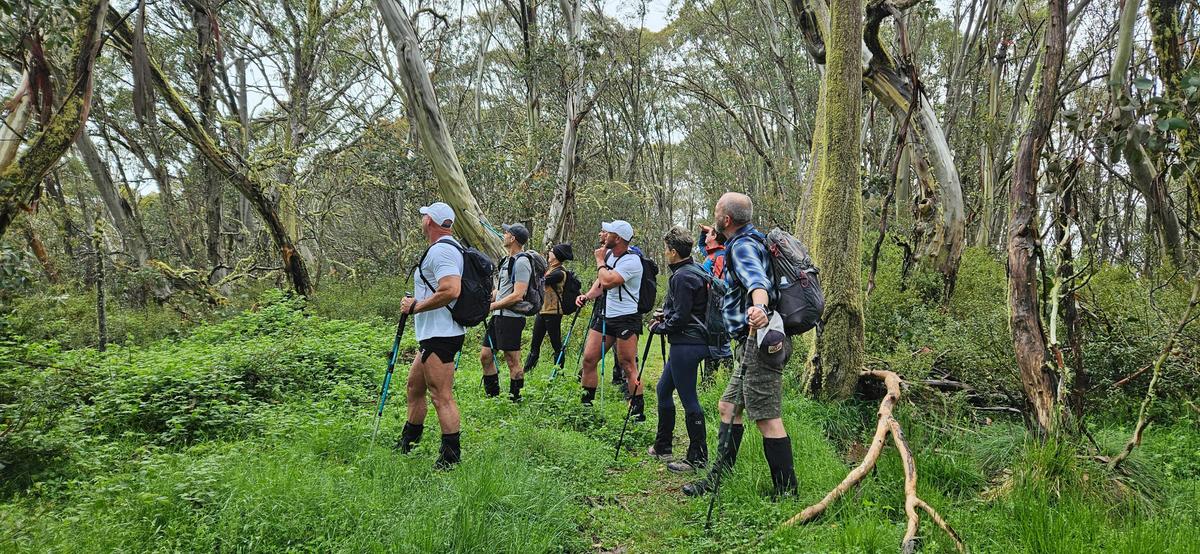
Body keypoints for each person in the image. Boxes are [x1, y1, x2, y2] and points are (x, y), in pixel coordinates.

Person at [683, 192, 798, 498]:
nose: (713, 217)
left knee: (767, 418)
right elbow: (736, 283)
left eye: (716, 212)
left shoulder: (744, 245)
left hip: (759, 342)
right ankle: (718, 478)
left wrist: (759, 308)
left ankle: (787, 491)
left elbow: (757, 282)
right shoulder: (748, 239)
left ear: (727, 220)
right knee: (728, 407)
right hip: (749, 342)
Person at [397, 202, 466, 469]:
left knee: (441, 396)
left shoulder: (442, 252)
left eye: (425, 215)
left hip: (441, 335)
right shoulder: (448, 249)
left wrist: (416, 306)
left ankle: (450, 458)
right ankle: (409, 442)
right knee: (415, 388)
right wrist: (419, 301)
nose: (423, 218)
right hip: (433, 335)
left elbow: (450, 290)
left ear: (430, 222)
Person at [646, 226, 709, 473]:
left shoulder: (683, 276)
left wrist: (661, 327)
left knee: (689, 399)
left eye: (665, 249)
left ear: (673, 252)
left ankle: (698, 458)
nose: (665, 253)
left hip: (687, 343)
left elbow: (682, 316)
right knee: (663, 389)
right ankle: (663, 446)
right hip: (688, 341)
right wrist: (667, 316)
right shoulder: (695, 271)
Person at [574, 220, 645, 420]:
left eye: (609, 233)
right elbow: (600, 283)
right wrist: (587, 296)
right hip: (606, 315)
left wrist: (599, 261)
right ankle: (586, 408)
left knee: (628, 365)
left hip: (626, 318)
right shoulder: (609, 256)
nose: (604, 235)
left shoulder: (632, 261)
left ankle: (637, 412)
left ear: (618, 238)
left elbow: (608, 280)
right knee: (589, 359)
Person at [481, 223, 532, 402]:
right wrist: (487, 299)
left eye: (506, 233)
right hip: (498, 317)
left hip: (512, 318)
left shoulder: (522, 262)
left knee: (512, 360)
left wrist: (493, 307)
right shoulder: (505, 261)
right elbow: (501, 291)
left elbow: (518, 295)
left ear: (513, 239)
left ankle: (515, 399)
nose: (503, 235)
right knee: (486, 356)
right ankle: (493, 397)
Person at [525, 243, 574, 373]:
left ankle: (558, 372)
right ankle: (527, 370)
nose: (549, 253)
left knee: (556, 344)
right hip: (542, 311)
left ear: (557, 256)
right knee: (535, 343)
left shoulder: (559, 273)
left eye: (551, 251)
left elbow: (540, 281)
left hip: (553, 313)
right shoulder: (550, 270)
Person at [697, 225, 733, 383]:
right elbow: (700, 245)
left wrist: (706, 277)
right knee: (710, 340)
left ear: (715, 237)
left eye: (709, 234)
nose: (706, 236)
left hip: (717, 304)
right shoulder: (710, 253)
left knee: (718, 339)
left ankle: (724, 377)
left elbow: (724, 284)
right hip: (709, 303)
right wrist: (704, 231)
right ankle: (709, 380)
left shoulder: (720, 255)